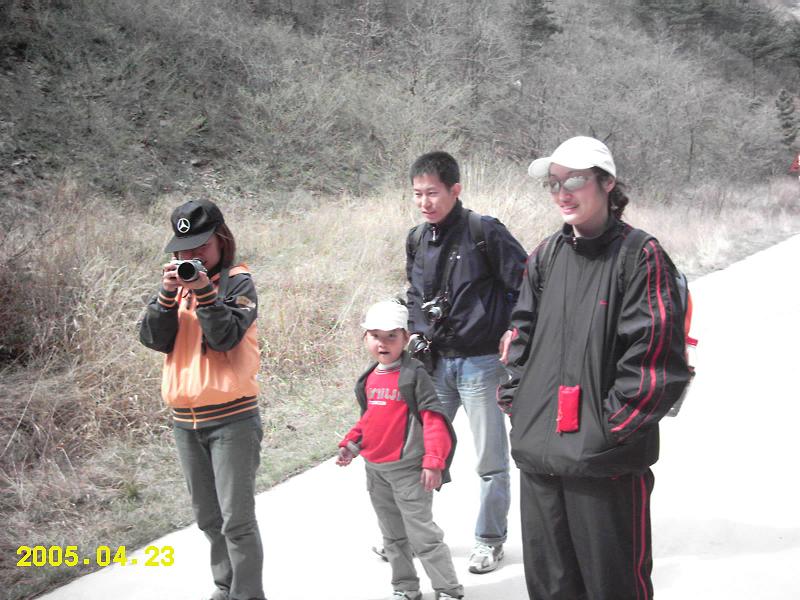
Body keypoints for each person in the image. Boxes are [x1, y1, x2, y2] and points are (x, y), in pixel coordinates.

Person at [498, 136, 692, 600]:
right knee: (551, 587)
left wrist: (607, 431)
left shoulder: (639, 255)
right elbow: (520, 337)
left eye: (575, 181)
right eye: (554, 183)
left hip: (604, 464)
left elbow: (654, 357)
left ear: (607, 184)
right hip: (540, 458)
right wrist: (519, 407)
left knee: (613, 585)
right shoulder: (546, 255)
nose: (562, 193)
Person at [404, 151, 527, 574]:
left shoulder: (484, 231)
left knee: (490, 461)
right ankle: (414, 535)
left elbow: (526, 284)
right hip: (436, 362)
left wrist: (515, 330)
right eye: (417, 194)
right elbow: (415, 293)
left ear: (455, 190)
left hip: (482, 363)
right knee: (420, 452)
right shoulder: (417, 238)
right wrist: (416, 331)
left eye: (432, 193)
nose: (425, 202)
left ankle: (489, 540)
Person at [139, 199, 266, 600]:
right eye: (183, 250)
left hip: (233, 420)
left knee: (237, 522)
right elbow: (153, 339)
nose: (192, 256)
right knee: (209, 519)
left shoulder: (238, 283)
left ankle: (247, 595)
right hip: (185, 422)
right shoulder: (176, 287)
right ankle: (225, 586)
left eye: (201, 247)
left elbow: (224, 337)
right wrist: (166, 295)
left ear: (222, 240)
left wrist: (205, 293)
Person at [337, 300, 464, 600]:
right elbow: (370, 418)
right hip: (376, 472)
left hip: (409, 472)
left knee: (423, 536)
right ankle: (405, 588)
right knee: (392, 537)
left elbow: (433, 419)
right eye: (375, 336)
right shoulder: (370, 376)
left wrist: (433, 461)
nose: (383, 343)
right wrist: (351, 445)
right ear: (365, 338)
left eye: (391, 336)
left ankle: (448, 589)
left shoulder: (414, 374)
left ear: (406, 338)